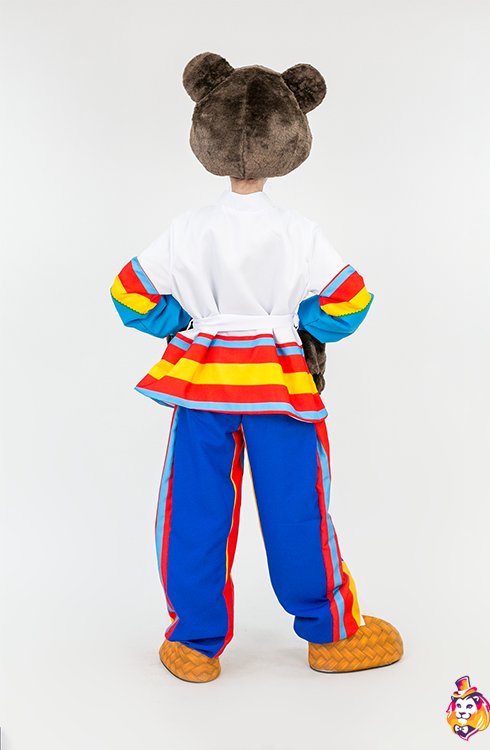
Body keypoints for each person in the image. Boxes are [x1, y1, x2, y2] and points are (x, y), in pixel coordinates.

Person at [111, 55, 403, 683]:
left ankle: (194, 640)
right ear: (291, 138)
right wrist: (300, 324)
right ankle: (331, 631)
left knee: (194, 511)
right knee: (298, 508)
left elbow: (128, 294)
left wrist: (183, 322)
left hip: (204, 383)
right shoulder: (298, 232)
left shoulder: (188, 230)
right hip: (281, 385)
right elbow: (350, 300)